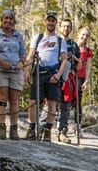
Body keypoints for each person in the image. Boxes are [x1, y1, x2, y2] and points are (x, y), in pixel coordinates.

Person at [23, 10, 69, 142]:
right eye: (48, 20)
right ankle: (32, 128)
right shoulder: (37, 38)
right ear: (45, 22)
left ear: (56, 22)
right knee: (33, 101)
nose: (50, 22)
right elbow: (30, 56)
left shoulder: (60, 41)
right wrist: (26, 71)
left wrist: (58, 75)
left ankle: (47, 130)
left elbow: (64, 59)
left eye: (53, 20)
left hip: (53, 73)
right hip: (39, 71)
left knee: (52, 103)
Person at [0, 9, 28, 140]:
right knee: (2, 98)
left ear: (14, 21)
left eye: (10, 18)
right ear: (2, 20)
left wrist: (21, 62)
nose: (8, 21)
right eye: (6, 18)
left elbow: (23, 53)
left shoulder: (18, 36)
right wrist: (2, 63)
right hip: (0, 70)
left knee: (14, 100)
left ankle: (14, 128)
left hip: (15, 71)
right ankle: (2, 127)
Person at [56, 18, 81, 143]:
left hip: (68, 77)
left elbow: (79, 64)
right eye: (64, 26)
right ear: (59, 27)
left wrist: (74, 59)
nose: (66, 29)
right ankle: (43, 128)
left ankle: (63, 130)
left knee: (66, 105)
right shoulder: (55, 41)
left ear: (71, 29)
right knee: (49, 103)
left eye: (68, 26)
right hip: (54, 75)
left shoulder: (74, 44)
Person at [72, 24, 93, 129]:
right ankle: (61, 124)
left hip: (80, 78)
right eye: (83, 35)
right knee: (65, 100)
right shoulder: (71, 46)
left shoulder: (88, 51)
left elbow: (88, 67)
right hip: (70, 76)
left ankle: (77, 126)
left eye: (87, 36)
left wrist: (86, 80)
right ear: (78, 34)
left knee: (78, 101)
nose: (85, 37)